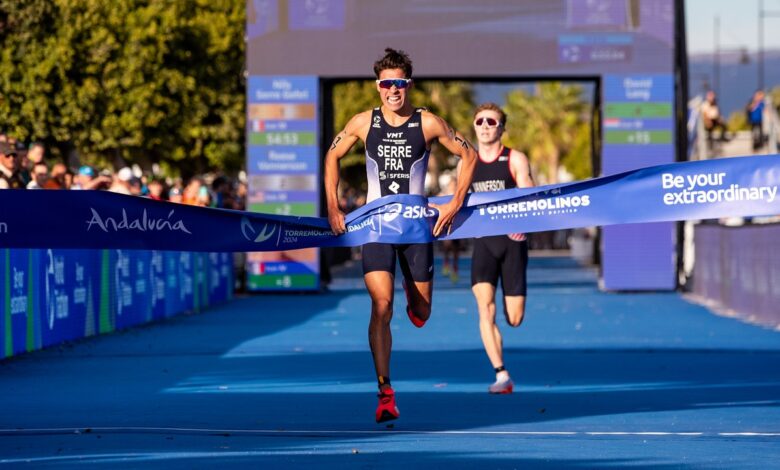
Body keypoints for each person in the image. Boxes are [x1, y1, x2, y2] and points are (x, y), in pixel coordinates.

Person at [324, 48, 477, 423]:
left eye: (400, 83)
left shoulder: (428, 123)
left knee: (421, 311)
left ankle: (414, 292)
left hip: (415, 229)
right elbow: (332, 156)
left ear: (409, 85)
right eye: (386, 83)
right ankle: (384, 390)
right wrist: (332, 206)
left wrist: (456, 201)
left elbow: (469, 155)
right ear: (378, 87)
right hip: (376, 227)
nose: (394, 90)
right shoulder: (363, 122)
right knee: (381, 306)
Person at [467, 102, 535, 394]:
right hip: (484, 243)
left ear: (502, 128)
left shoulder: (515, 159)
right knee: (485, 308)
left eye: (491, 122)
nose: (484, 126)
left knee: (514, 318)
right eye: (480, 121)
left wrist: (523, 220)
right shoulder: (467, 162)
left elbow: (531, 196)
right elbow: (456, 200)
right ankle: (501, 374)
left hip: (512, 243)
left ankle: (502, 369)